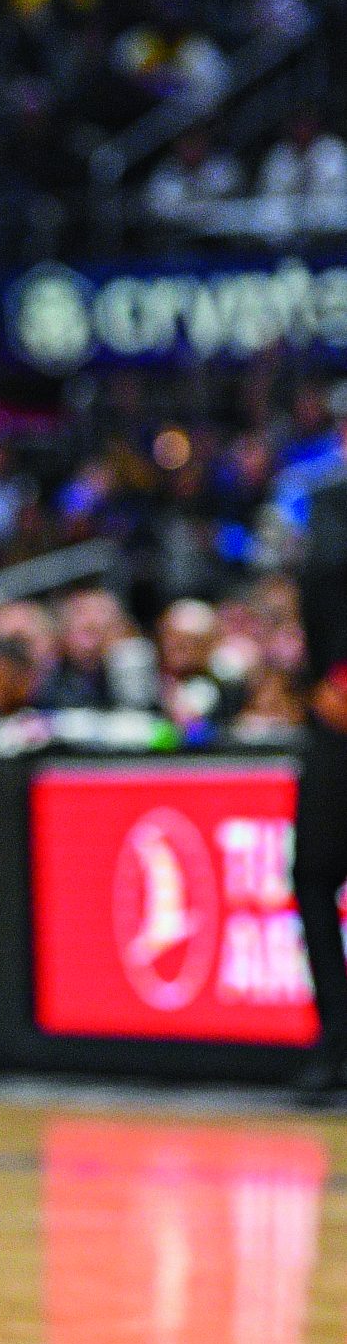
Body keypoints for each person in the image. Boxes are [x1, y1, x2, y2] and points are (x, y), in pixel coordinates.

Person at [293, 450, 347, 1096]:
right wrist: (323, 681)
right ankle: (335, 1037)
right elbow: (318, 599)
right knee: (310, 875)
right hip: (332, 714)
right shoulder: (330, 499)